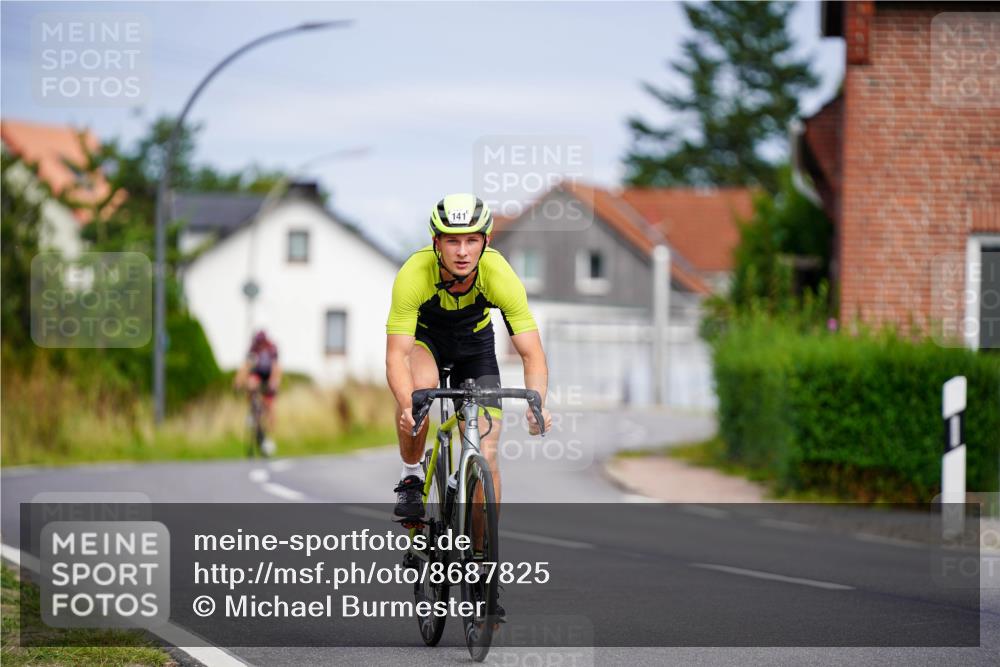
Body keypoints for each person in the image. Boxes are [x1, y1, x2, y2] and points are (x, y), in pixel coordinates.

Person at [385, 193, 553, 524]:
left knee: (486, 455)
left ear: (486, 241)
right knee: (421, 388)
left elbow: (532, 353)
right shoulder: (414, 274)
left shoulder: (498, 275)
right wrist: (408, 408)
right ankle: (411, 475)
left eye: (472, 241)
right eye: (452, 242)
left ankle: (480, 562)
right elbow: (396, 356)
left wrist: (539, 406)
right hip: (427, 340)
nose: (462, 252)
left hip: (475, 347)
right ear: (437, 242)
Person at [235, 329, 282, 455]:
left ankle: (270, 436)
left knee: (271, 406)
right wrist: (238, 381)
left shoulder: (272, 349)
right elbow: (246, 366)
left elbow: (276, 368)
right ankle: (253, 409)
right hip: (258, 373)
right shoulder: (253, 349)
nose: (260, 345)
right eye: (258, 343)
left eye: (262, 343)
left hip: (269, 375)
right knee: (251, 382)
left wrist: (273, 384)